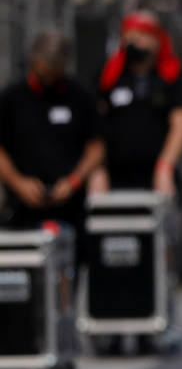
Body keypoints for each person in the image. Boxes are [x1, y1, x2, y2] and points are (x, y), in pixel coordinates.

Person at [0, 31, 105, 232]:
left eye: (53, 75)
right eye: (43, 75)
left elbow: (97, 147)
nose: (48, 81)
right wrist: (18, 182)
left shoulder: (81, 96)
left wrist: (73, 181)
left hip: (72, 207)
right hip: (22, 209)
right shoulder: (11, 98)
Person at [89, 11, 182, 194]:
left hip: (156, 176)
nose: (134, 41)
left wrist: (165, 166)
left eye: (141, 34)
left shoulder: (170, 75)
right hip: (115, 175)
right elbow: (94, 124)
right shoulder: (109, 75)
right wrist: (97, 167)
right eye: (129, 34)